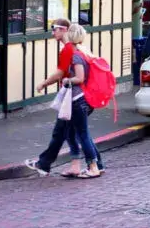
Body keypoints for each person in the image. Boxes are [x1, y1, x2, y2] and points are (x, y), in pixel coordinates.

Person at [26, 23, 101, 178]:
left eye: (54, 29)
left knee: (74, 133)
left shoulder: (72, 52)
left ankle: (93, 165)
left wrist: (51, 82)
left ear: (66, 31)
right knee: (71, 133)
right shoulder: (81, 50)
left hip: (75, 99)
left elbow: (72, 76)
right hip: (79, 98)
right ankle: (83, 164)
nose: (52, 33)